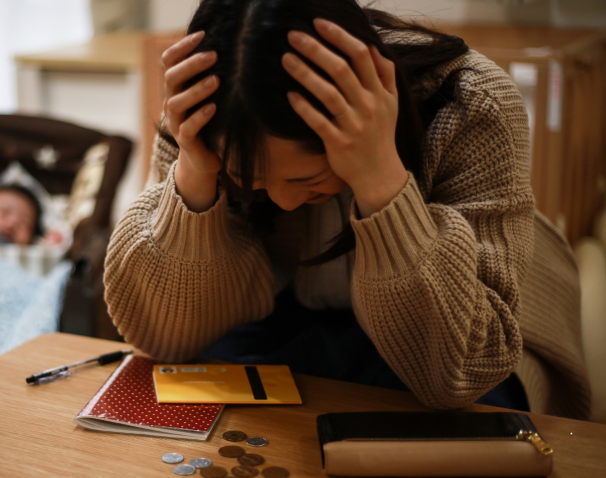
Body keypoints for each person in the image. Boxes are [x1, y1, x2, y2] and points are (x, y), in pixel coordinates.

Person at [104, 0, 590, 419]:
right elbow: (164, 338)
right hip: (281, 313)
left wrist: (379, 177)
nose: (284, 200)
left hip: (457, 322)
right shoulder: (203, 110)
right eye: (250, 180)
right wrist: (195, 176)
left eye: (306, 179)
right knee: (188, 405)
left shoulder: (471, 100)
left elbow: (456, 375)